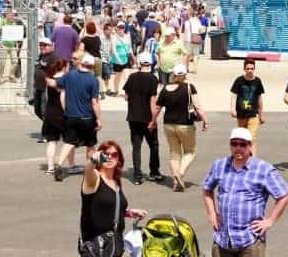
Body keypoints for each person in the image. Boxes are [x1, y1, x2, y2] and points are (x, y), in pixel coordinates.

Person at [202, 128, 288, 257]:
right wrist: (211, 213)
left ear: (250, 146)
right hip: (222, 238)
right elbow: (207, 189)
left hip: (250, 241)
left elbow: (284, 195)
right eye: (234, 144)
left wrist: (270, 221)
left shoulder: (263, 169)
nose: (238, 148)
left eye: (243, 144)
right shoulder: (219, 165)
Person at [78, 141, 147, 257]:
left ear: (118, 159)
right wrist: (93, 160)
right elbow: (88, 170)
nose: (109, 157)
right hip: (96, 247)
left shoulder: (115, 182)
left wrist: (127, 212)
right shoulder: (95, 178)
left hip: (113, 246)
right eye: (105, 154)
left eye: (114, 154)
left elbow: (106, 207)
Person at [152, 63, 208, 192]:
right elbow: (197, 106)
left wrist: (152, 121)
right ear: (185, 75)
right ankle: (180, 173)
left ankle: (176, 182)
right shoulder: (189, 87)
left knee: (174, 154)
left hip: (168, 124)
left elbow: (158, 108)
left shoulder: (165, 89)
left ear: (173, 74)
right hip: (185, 124)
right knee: (190, 151)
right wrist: (205, 120)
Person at [53, 53, 102, 182]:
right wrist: (98, 118)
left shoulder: (70, 75)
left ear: (81, 63)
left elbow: (58, 86)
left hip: (71, 116)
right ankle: (91, 168)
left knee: (69, 142)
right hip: (87, 117)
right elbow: (94, 102)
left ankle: (58, 164)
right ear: (92, 66)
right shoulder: (93, 80)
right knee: (90, 144)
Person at [122, 52, 162, 185]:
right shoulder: (153, 79)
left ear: (139, 63)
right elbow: (152, 101)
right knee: (154, 145)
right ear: (150, 63)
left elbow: (126, 95)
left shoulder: (132, 77)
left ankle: (137, 176)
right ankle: (154, 172)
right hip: (146, 117)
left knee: (136, 146)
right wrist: (153, 119)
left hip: (133, 116)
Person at [229, 59, 265, 155]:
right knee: (242, 138)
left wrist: (261, 114)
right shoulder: (239, 80)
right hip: (241, 114)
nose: (250, 70)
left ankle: (253, 160)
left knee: (251, 137)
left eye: (252, 68)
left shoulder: (257, 81)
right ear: (244, 69)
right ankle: (244, 157)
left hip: (253, 114)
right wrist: (232, 108)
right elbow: (234, 95)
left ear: (254, 69)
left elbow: (259, 98)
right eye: (248, 68)